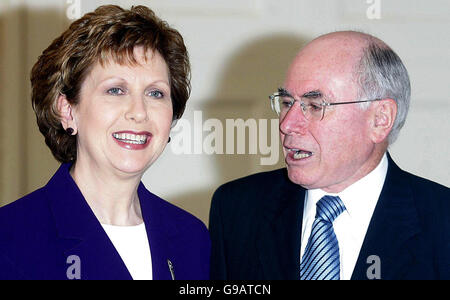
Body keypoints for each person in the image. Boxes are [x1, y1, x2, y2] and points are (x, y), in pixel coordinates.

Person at [209, 31, 450, 280]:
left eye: (314, 106)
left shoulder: (442, 223)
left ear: (380, 119)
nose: (287, 124)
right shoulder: (237, 209)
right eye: (286, 102)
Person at [0, 5, 210, 280]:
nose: (139, 111)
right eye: (115, 90)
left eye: (156, 93)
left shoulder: (192, 238)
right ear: (67, 110)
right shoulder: (10, 238)